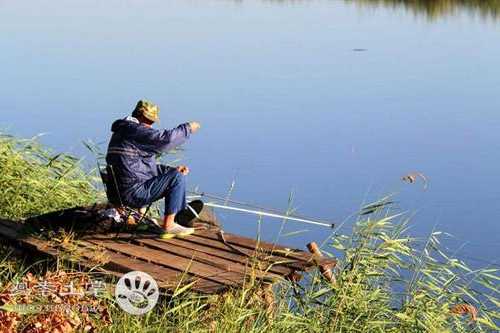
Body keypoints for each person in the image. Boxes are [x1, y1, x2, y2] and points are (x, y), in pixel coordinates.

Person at [105, 100, 201, 238]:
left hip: (119, 193)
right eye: (149, 121)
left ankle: (173, 215)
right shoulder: (135, 130)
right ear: (140, 116)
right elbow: (165, 140)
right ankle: (169, 225)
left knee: (173, 173)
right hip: (133, 193)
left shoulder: (122, 131)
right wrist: (188, 128)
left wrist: (171, 170)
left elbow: (138, 166)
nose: (150, 125)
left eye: (152, 122)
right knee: (177, 178)